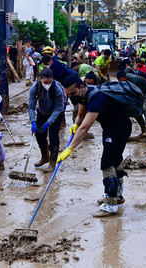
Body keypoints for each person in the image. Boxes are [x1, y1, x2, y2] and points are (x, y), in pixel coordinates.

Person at [59, 74, 133, 217]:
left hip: (119, 129)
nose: (71, 97)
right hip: (109, 128)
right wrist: (75, 124)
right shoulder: (83, 95)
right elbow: (80, 116)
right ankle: (117, 196)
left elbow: (85, 127)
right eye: (68, 94)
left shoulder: (97, 98)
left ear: (81, 87)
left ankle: (111, 205)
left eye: (73, 93)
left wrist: (70, 148)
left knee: (107, 164)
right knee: (115, 161)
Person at [28, 68, 66, 172]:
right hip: (42, 111)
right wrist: (33, 121)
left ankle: (53, 162)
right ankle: (45, 157)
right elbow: (31, 107)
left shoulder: (57, 89)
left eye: (50, 82)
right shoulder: (34, 88)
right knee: (39, 135)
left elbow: (59, 108)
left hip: (56, 113)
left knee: (53, 136)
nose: (48, 84)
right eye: (45, 82)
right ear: (40, 79)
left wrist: (48, 122)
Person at [118, 69, 146, 141]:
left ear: (126, 77)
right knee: (136, 112)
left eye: (123, 81)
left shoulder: (134, 80)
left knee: (144, 107)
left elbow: (139, 94)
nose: (122, 83)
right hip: (139, 93)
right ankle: (143, 131)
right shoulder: (125, 80)